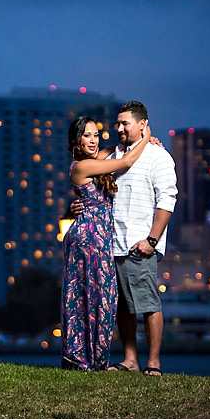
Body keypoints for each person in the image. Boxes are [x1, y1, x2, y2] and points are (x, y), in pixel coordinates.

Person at [62, 115, 151, 371]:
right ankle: (82, 358)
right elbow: (125, 161)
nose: (92, 140)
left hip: (100, 237)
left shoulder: (94, 161)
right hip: (88, 238)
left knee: (101, 297)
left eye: (95, 134)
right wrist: (145, 137)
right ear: (75, 140)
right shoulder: (80, 167)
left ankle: (93, 357)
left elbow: (111, 151)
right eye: (86, 135)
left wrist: (133, 141)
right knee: (88, 297)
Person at [105, 101, 177, 376]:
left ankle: (154, 363)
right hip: (115, 243)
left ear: (142, 125)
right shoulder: (114, 157)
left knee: (147, 304)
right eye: (118, 123)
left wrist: (152, 240)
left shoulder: (158, 156)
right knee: (123, 306)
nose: (119, 127)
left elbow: (167, 200)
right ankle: (130, 360)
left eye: (125, 123)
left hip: (141, 244)